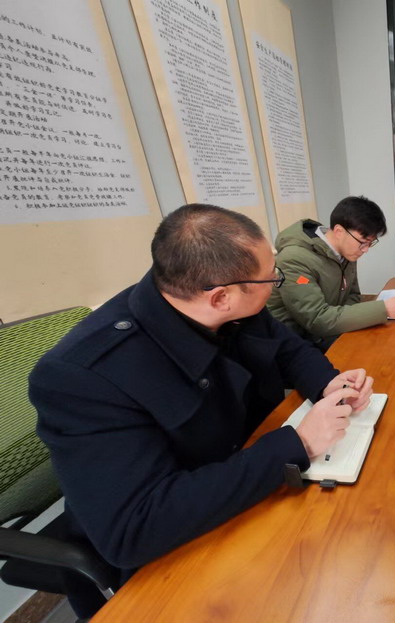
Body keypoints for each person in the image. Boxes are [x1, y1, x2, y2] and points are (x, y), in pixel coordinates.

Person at [31, 204, 374, 618]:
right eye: (272, 278)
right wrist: (298, 442)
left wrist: (328, 383)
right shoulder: (84, 377)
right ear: (221, 298)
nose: (276, 283)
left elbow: (287, 347)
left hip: (245, 486)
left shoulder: (212, 298)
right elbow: (134, 529)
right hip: (174, 552)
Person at [267, 196, 395, 352]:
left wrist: (341, 318)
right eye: (363, 242)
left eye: (370, 243)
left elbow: (353, 295)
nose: (365, 250)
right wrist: (384, 309)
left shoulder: (347, 251)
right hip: (292, 343)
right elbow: (317, 320)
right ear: (339, 231)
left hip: (327, 332)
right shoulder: (294, 259)